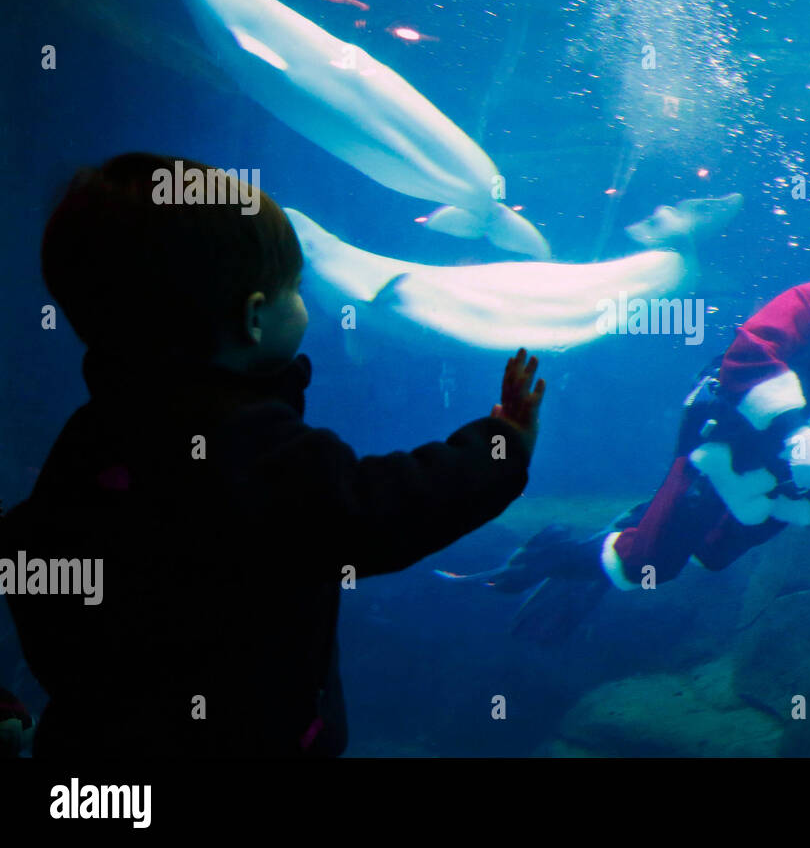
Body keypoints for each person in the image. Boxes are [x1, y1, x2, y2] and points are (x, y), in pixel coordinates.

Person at [0, 152, 543, 756]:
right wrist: (500, 448)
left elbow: (34, 567)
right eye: (293, 287)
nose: (302, 300)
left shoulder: (89, 436)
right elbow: (371, 512)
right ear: (255, 318)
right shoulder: (247, 441)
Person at [445, 177, 810, 642]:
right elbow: (751, 352)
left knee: (713, 554)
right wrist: (791, 432)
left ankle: (632, 529)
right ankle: (555, 553)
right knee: (649, 568)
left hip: (794, 492)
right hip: (730, 451)